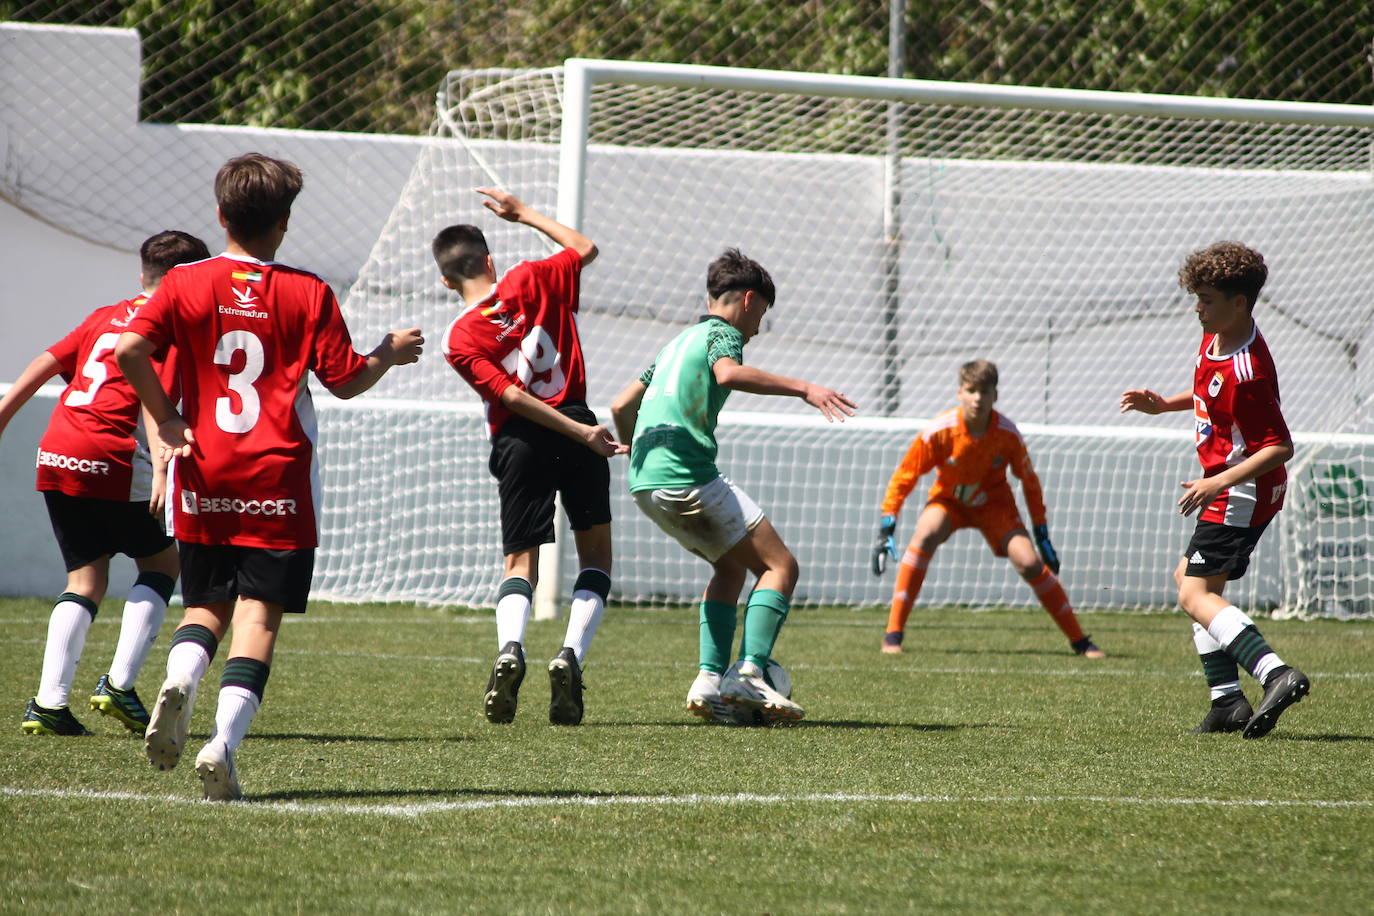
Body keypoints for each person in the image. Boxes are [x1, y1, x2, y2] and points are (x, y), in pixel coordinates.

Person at [116, 152, 424, 800]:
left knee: (203, 607)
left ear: (221, 215)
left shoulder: (183, 283)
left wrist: (168, 421)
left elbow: (129, 351)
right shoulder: (307, 291)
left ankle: (181, 676)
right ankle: (222, 745)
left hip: (203, 472)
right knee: (258, 616)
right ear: (284, 222)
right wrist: (388, 355)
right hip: (278, 479)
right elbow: (344, 382)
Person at [610, 248, 856, 725]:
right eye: (761, 314)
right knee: (780, 565)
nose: (759, 328)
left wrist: (636, 452)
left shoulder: (675, 343)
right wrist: (806, 388)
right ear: (747, 300)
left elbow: (621, 405)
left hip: (644, 482)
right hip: (687, 473)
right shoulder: (723, 334)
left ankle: (708, 679)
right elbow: (727, 372)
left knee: (729, 568)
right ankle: (748, 673)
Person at [1, 231, 210, 736]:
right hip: (111, 453)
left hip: (56, 450)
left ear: (143, 274)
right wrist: (161, 467)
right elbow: (147, 390)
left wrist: (3, 416)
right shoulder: (169, 325)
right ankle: (118, 685)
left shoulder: (105, 314)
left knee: (85, 580)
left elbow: (46, 363)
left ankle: (49, 703)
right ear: (191, 281)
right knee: (163, 562)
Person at [436, 188, 624, 727]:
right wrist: (523, 214)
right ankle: (569, 656)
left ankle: (510, 649)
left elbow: (513, 397)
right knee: (596, 558)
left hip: (520, 439)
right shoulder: (532, 277)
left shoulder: (460, 335)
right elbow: (584, 247)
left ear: (447, 281)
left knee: (521, 564)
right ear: (490, 260)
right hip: (577, 419)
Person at [1121, 241, 1309, 738]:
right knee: (1191, 578)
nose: (1197, 308)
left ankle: (1275, 674)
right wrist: (1164, 406)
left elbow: (1279, 446)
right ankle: (1226, 701)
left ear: (1240, 302)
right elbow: (1208, 393)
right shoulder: (1218, 336)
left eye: (1206, 299)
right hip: (1232, 486)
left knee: (1194, 593)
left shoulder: (1248, 371)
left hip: (1240, 490)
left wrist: (1216, 482)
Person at [872, 359, 1105, 659]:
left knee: (1030, 563)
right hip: (949, 501)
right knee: (925, 533)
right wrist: (887, 525)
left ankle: (1080, 641)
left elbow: (1029, 483)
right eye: (971, 390)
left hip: (994, 504)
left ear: (996, 394)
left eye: (985, 391)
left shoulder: (1007, 434)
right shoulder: (939, 431)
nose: (978, 398)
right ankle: (893, 635)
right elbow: (905, 476)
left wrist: (1041, 534)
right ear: (959, 393)